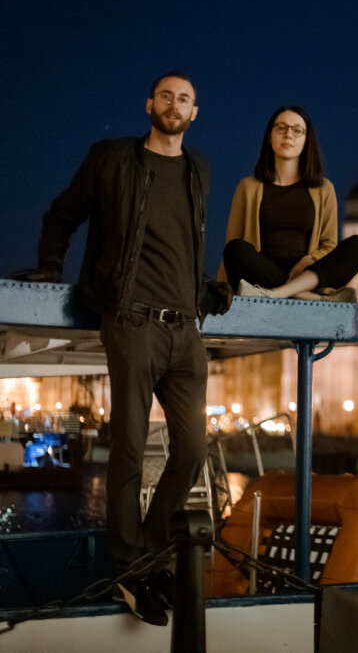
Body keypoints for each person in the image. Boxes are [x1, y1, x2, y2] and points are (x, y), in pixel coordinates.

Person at [15, 71, 231, 626]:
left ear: (194, 111)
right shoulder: (112, 159)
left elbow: (186, 241)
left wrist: (205, 288)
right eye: (166, 96)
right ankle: (129, 571)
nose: (174, 105)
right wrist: (49, 266)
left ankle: (151, 557)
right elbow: (62, 215)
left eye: (185, 98)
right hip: (132, 323)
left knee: (191, 451)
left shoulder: (199, 170)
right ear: (149, 105)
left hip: (187, 330)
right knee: (130, 451)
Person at [219, 105, 358, 301]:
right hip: (260, 276)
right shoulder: (248, 186)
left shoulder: (324, 189)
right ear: (270, 136)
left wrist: (308, 260)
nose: (288, 134)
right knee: (234, 249)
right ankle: (301, 295)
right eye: (281, 128)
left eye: (297, 130)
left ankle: (281, 293)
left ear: (306, 140)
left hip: (309, 275)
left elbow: (329, 245)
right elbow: (234, 244)